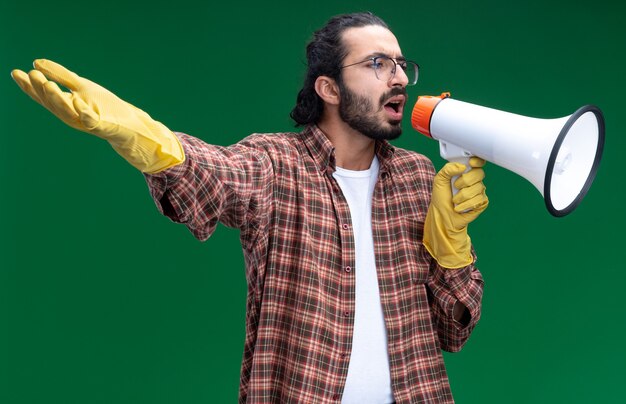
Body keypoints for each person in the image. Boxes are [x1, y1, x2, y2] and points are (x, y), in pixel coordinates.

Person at [11, 11, 488, 404]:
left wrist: (452, 247)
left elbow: (452, 332)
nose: (400, 77)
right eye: (379, 63)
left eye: (402, 64)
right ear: (328, 88)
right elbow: (215, 173)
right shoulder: (274, 164)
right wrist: (143, 137)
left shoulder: (418, 178)